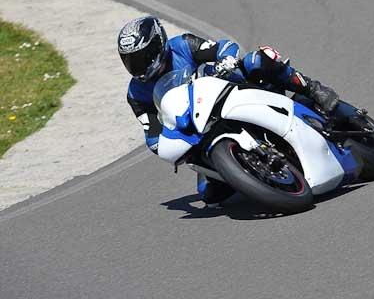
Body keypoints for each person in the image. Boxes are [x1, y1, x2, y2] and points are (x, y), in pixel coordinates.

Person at [118, 16, 340, 206]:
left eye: (142, 57)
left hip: (228, 90)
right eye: (130, 61)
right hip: (200, 130)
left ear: (158, 44)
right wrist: (169, 143)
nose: (137, 66)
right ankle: (257, 171)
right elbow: (152, 133)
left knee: (256, 61)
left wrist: (226, 60)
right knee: (211, 196)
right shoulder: (136, 93)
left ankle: (312, 88)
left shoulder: (182, 45)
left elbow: (223, 47)